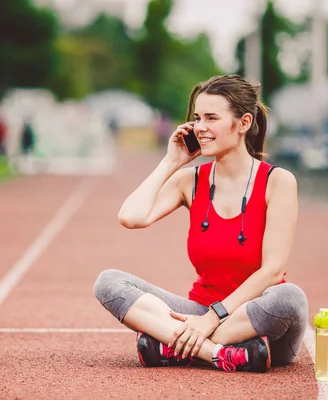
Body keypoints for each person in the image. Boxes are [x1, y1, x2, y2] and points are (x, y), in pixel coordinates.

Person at [94, 75, 308, 373]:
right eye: (197, 118)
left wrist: (210, 320)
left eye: (211, 118)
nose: (200, 128)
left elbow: (272, 271)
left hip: (255, 320)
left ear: (243, 123)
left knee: (289, 298)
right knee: (109, 282)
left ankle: (173, 347)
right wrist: (171, 162)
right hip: (198, 314)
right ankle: (220, 354)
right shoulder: (189, 181)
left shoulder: (278, 182)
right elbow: (131, 217)